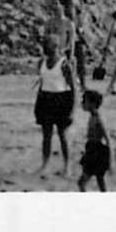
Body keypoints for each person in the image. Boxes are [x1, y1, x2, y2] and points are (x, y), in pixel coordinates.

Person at [33, 37, 76, 178]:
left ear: (56, 46)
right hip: (46, 99)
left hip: (61, 99)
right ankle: (45, 164)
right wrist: (37, 104)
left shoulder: (64, 64)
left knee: (63, 135)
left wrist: (72, 109)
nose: (45, 48)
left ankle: (67, 166)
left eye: (48, 45)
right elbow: (42, 83)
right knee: (46, 135)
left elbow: (73, 87)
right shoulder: (42, 63)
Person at [77, 89, 111, 192]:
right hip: (92, 149)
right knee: (100, 181)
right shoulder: (93, 117)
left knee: (83, 182)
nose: (82, 103)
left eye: (84, 101)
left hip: (96, 151)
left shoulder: (98, 120)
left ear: (92, 104)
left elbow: (108, 140)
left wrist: (110, 161)